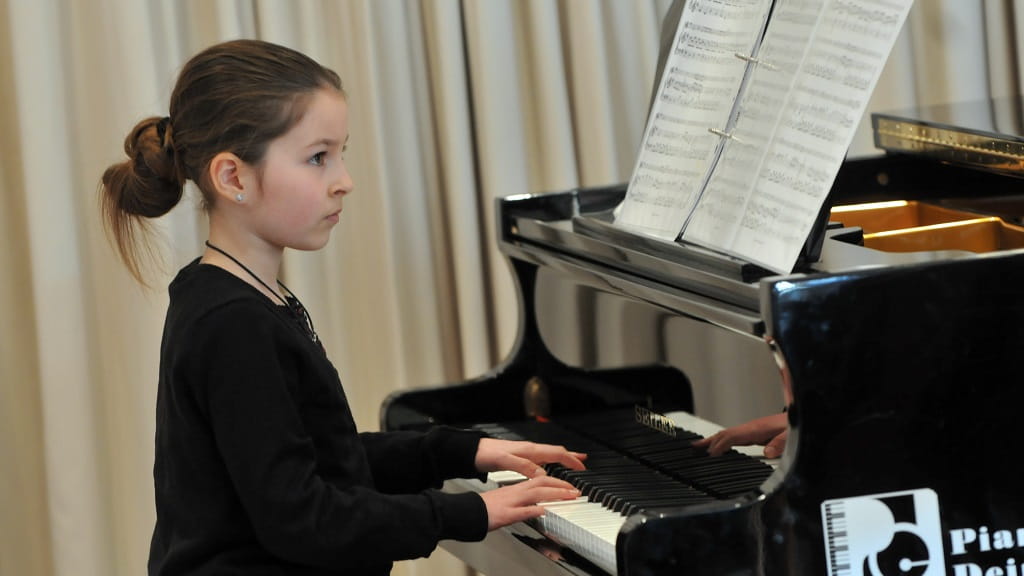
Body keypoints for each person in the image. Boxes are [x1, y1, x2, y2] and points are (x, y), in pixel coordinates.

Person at [99, 39, 586, 576]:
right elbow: (304, 519)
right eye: (318, 158)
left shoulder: (240, 295)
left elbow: (320, 460)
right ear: (233, 177)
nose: (344, 182)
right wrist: (469, 512)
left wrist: (463, 452)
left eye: (341, 153)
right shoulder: (232, 323)